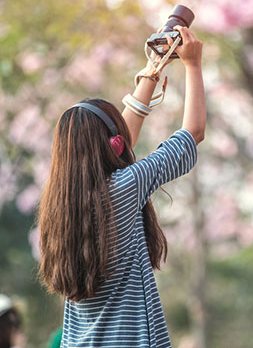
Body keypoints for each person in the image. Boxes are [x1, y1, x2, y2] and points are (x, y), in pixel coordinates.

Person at [37, 26, 205, 348]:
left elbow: (118, 144)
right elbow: (193, 133)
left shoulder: (58, 209)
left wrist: (153, 70)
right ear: (112, 145)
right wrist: (193, 65)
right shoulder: (122, 190)